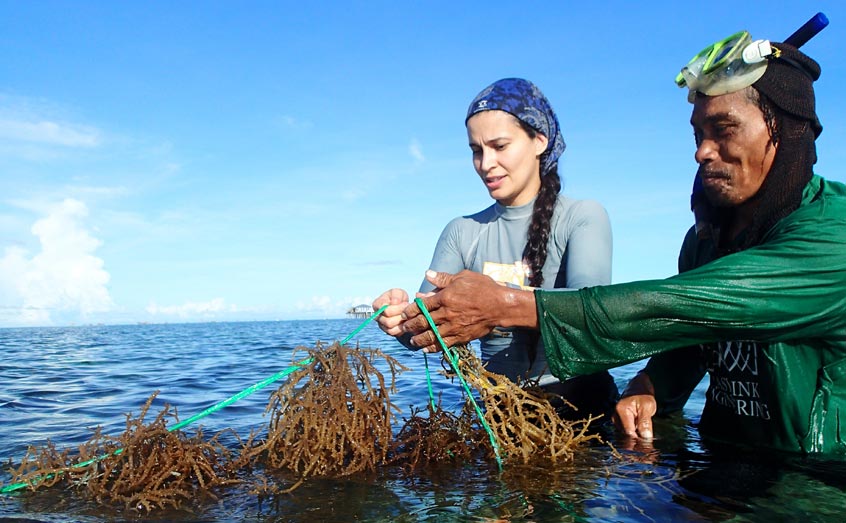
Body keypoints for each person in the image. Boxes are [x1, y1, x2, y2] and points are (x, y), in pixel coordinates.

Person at [397, 33, 846, 455]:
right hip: (719, 455)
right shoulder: (705, 240)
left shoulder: (833, 236)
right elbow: (692, 339)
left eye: (723, 130)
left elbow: (681, 306)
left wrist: (506, 306)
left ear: (787, 131)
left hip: (812, 474)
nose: (701, 152)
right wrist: (651, 385)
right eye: (697, 134)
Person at [372, 78, 618, 419]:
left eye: (499, 146)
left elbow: (591, 320)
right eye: (476, 150)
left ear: (539, 141)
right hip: (501, 414)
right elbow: (428, 329)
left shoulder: (582, 217)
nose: (486, 163)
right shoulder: (461, 232)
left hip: (580, 408)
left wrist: (497, 304)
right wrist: (401, 319)